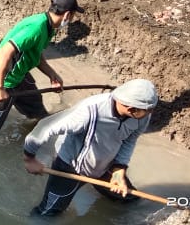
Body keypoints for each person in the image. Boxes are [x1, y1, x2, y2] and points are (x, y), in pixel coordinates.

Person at [22, 79, 157, 216]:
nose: (150, 113)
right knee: (48, 212)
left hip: (106, 166)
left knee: (129, 199)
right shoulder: (89, 111)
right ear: (131, 109)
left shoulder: (142, 117)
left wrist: (119, 169)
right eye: (148, 110)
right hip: (71, 167)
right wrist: (29, 158)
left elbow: (129, 141)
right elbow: (44, 127)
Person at [0, 0, 81, 141]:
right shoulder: (36, 28)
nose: (72, 19)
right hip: (1, 77)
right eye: (73, 15)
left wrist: (52, 74)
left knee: (38, 111)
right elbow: (5, 52)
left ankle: (40, 134)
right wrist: (0, 88)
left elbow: (35, 53)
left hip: (19, 74)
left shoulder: (48, 26)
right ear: (67, 15)